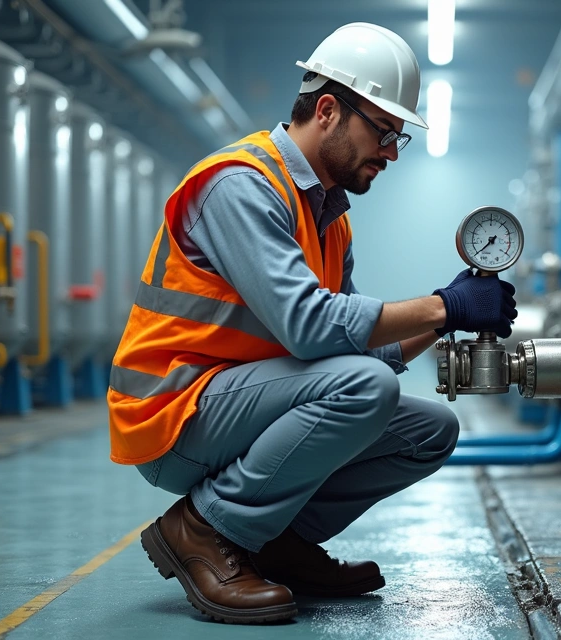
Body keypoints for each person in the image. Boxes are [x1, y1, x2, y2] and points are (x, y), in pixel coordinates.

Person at [106, 23, 517, 624]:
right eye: (384, 132)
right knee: (363, 389)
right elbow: (309, 327)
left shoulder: (327, 216)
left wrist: (446, 311)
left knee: (431, 429)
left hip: (241, 405)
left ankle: (270, 541)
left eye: (398, 137)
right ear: (328, 110)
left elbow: (346, 346)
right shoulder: (240, 186)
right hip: (176, 413)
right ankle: (202, 529)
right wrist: (444, 307)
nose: (391, 153)